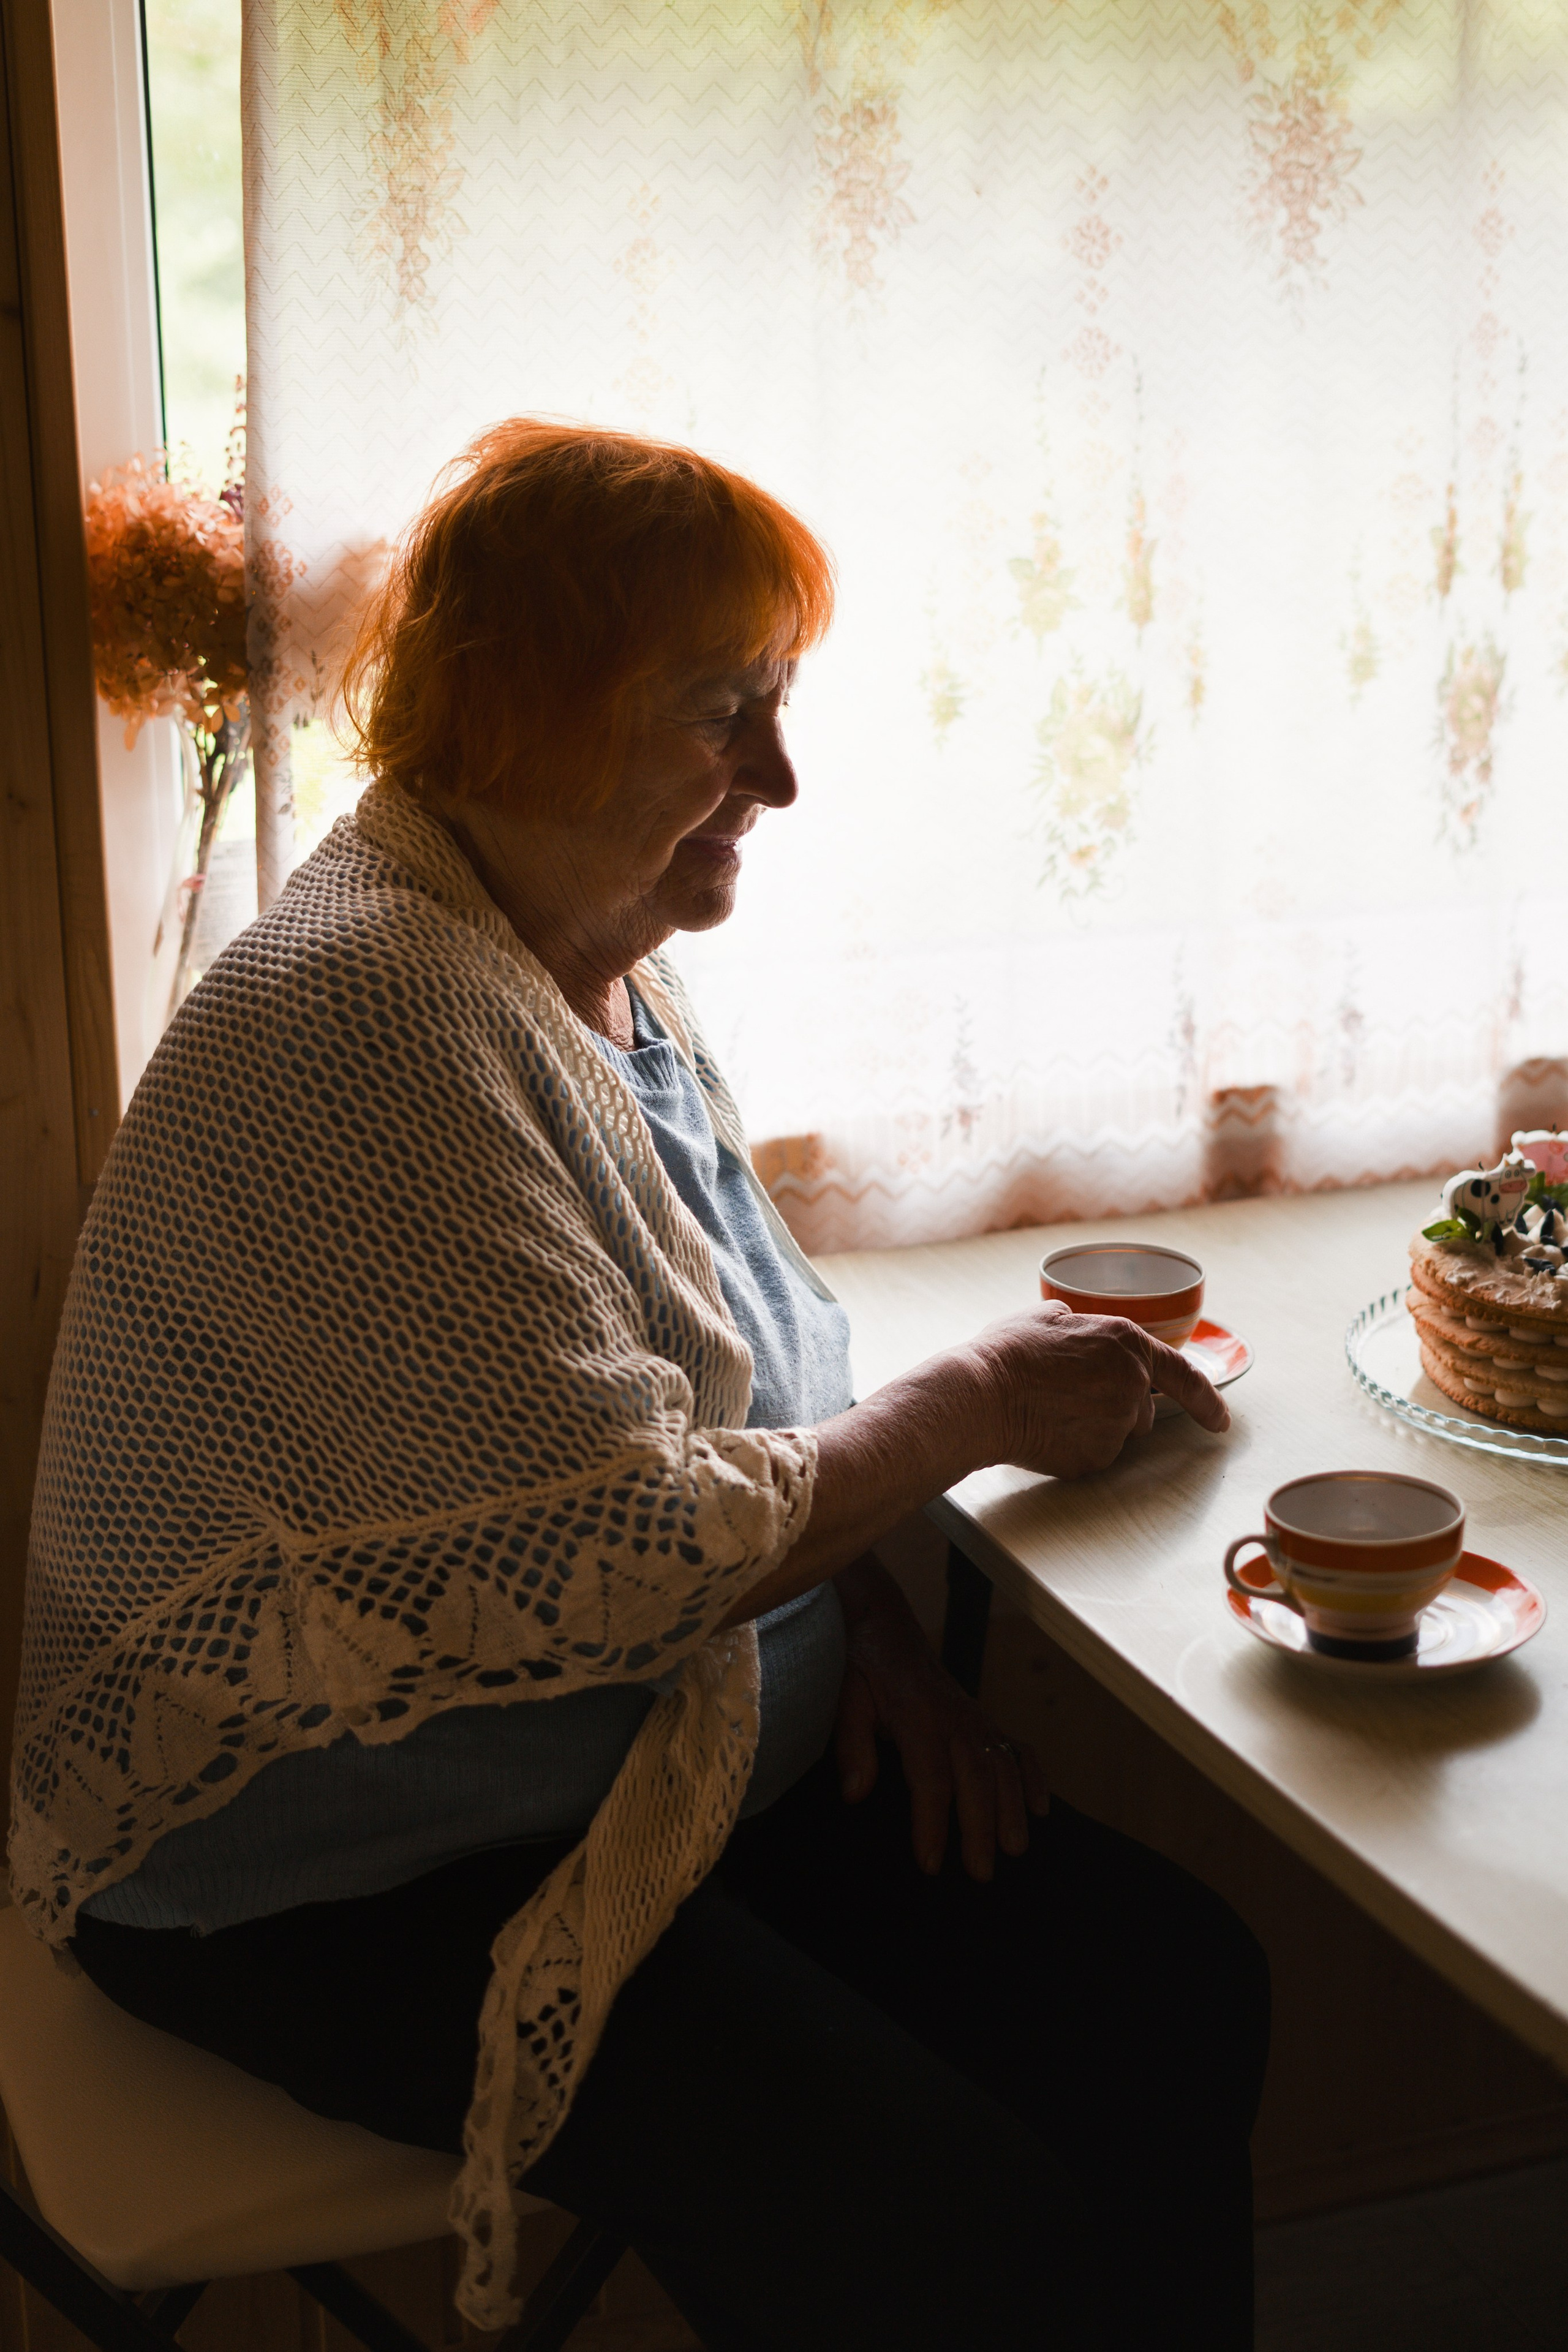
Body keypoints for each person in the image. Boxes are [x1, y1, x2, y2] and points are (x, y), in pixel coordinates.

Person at [10, 421, 1268, 2349]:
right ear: (528, 711)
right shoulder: (372, 1020)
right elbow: (644, 1544)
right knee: (943, 2230)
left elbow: (740, 1388)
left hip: (643, 1761)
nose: (776, 775)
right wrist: (982, 1407)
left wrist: (875, 1632)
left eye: (775, 705)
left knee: (1172, 1988)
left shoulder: (584, 964)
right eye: (723, 715)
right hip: (335, 1865)